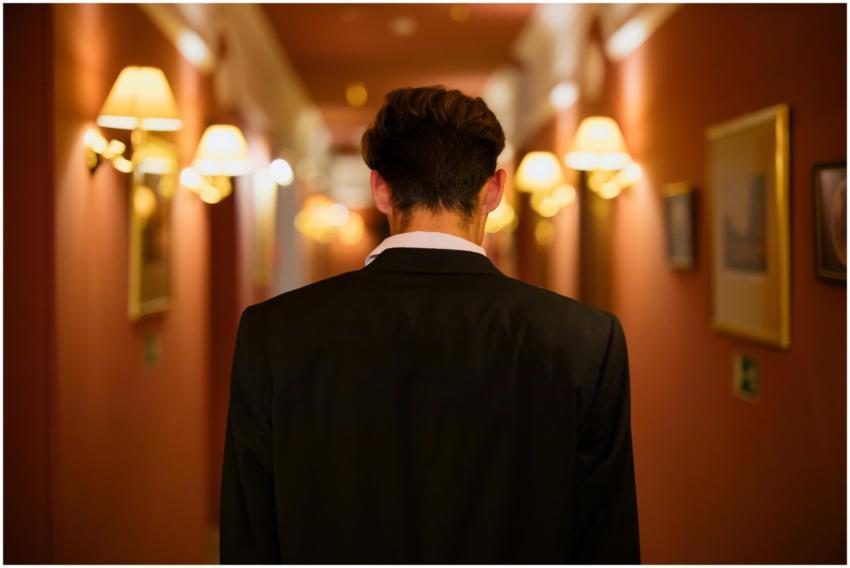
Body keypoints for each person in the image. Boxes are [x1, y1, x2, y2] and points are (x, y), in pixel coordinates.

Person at [220, 86, 640, 564]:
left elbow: (249, 539)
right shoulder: (586, 340)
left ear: (380, 188)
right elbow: (607, 543)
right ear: (494, 189)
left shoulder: (274, 332)